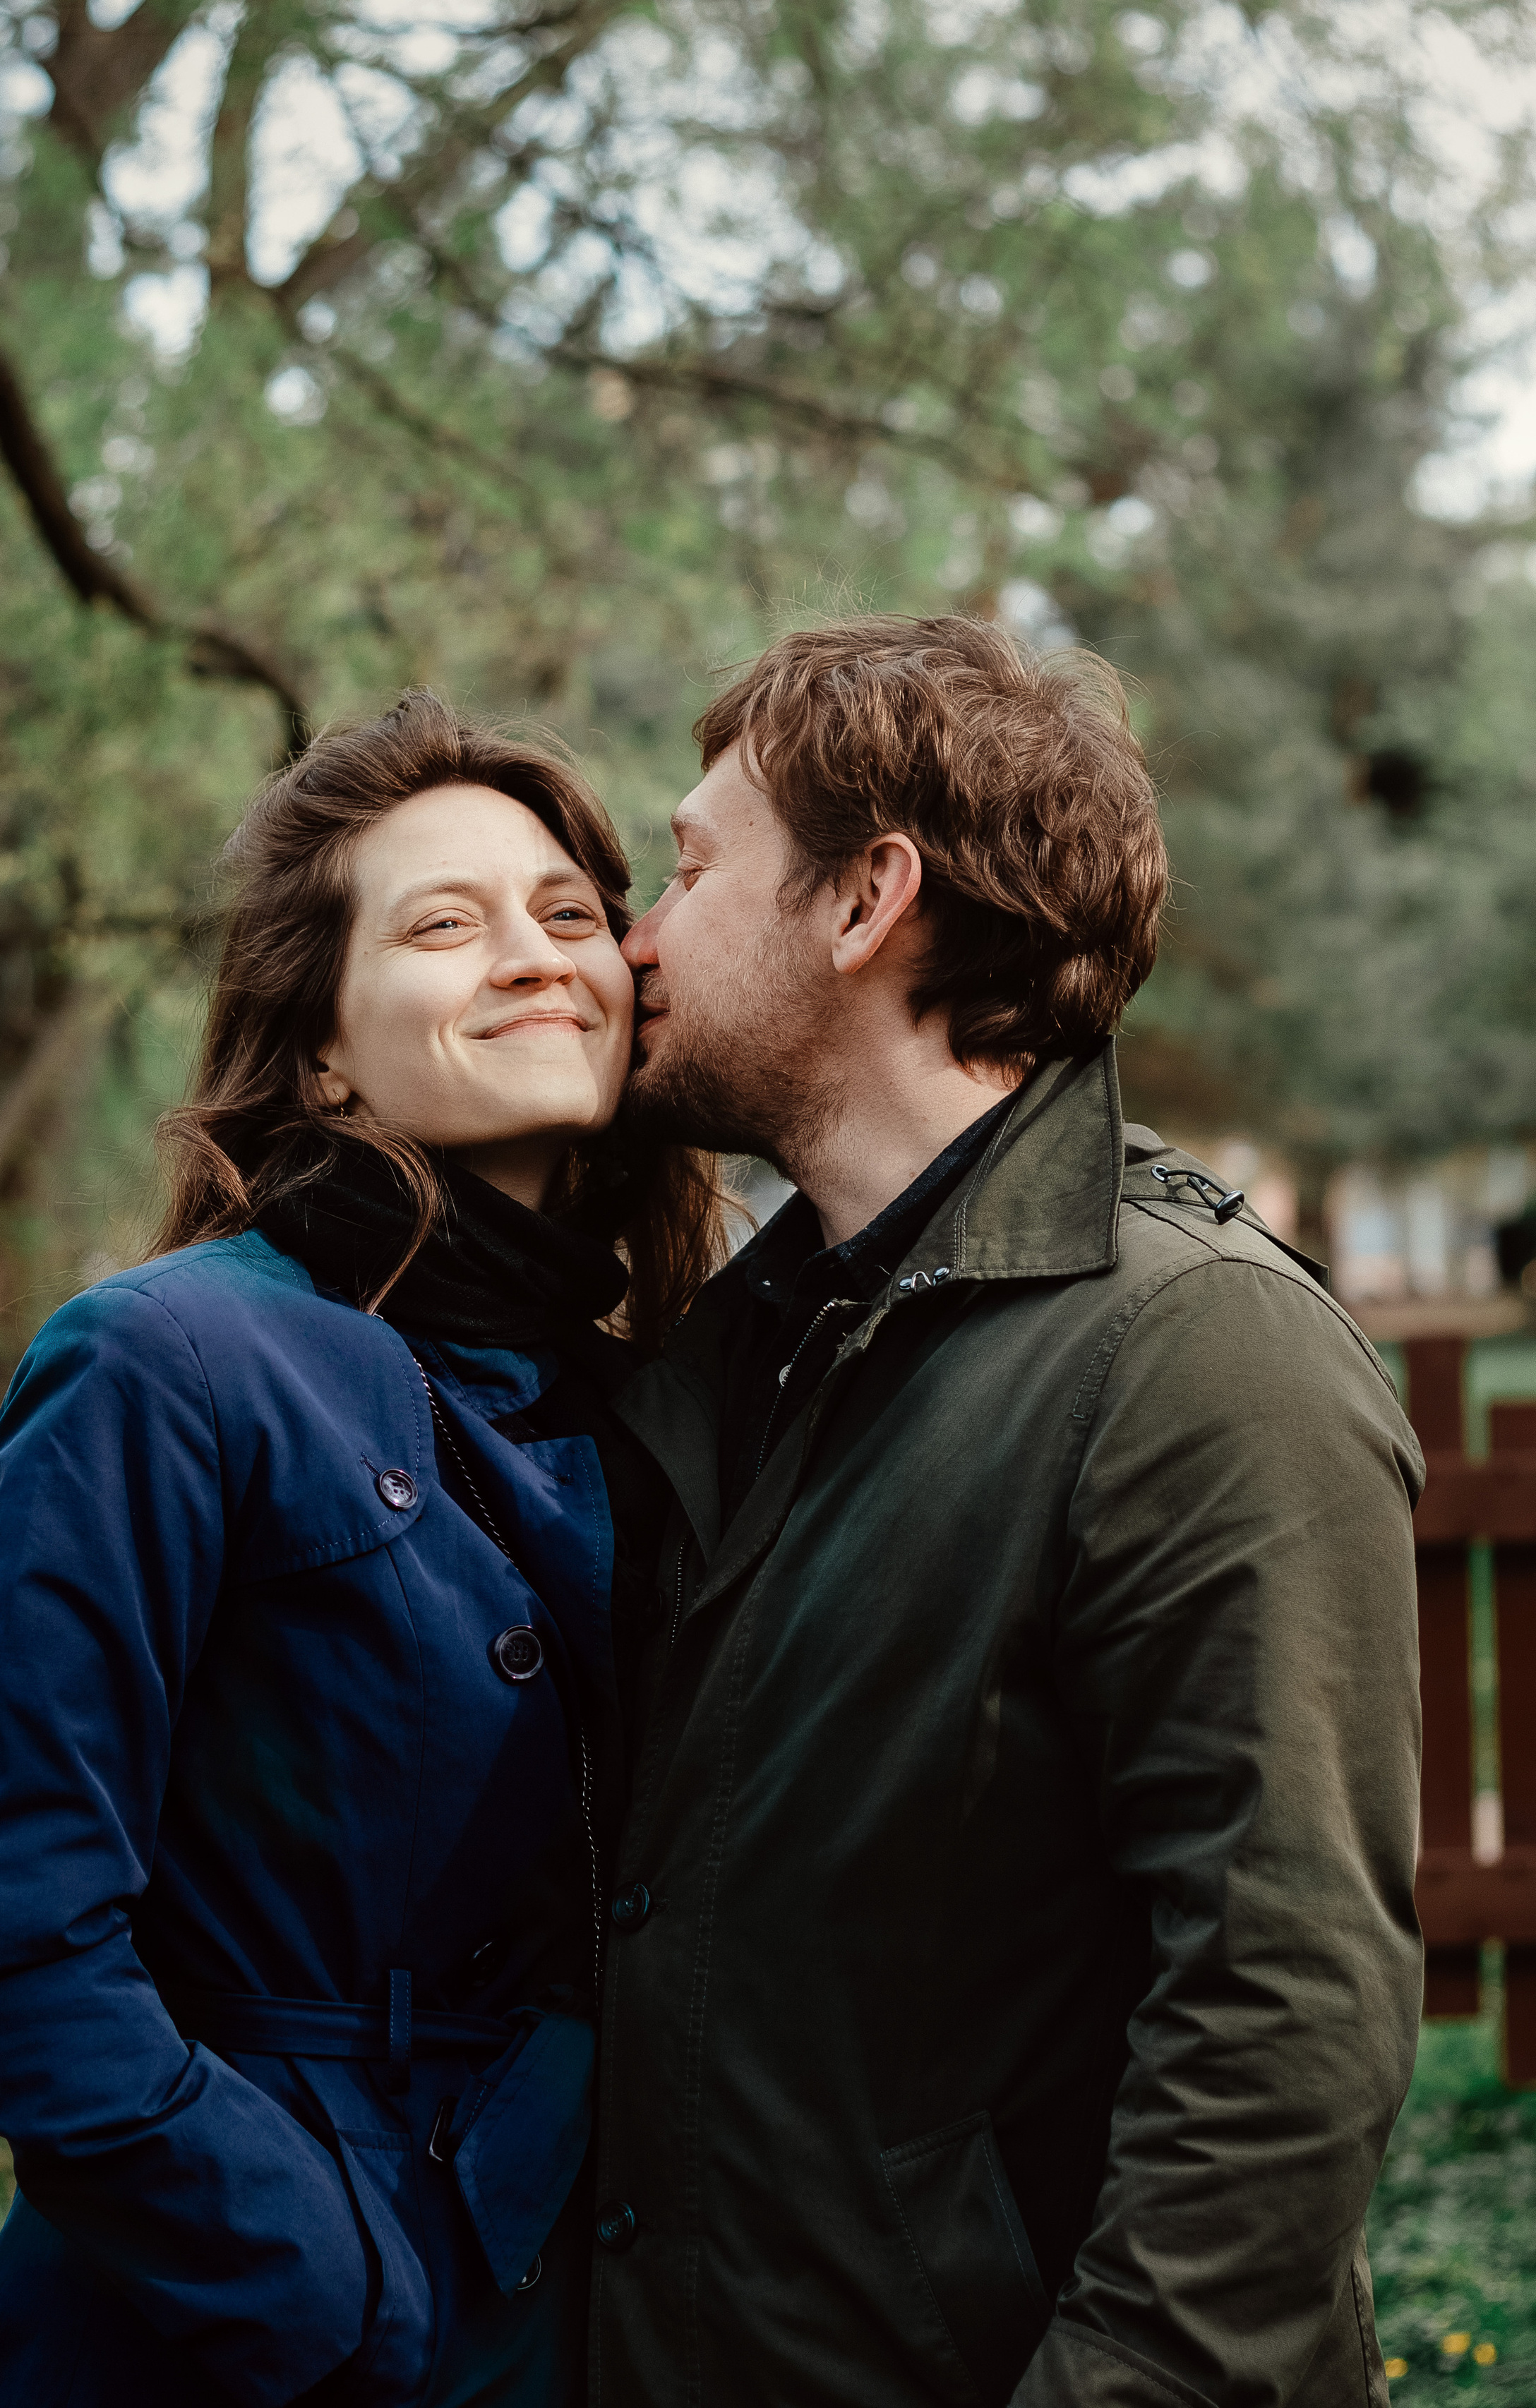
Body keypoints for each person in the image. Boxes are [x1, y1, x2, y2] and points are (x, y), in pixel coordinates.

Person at [589, 615, 1424, 2407]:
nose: (636, 937)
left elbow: (1282, 2021)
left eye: (685, 864)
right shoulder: (739, 1349)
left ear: (861, 896)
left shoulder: (1196, 1353)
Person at [0, 693, 726, 2407]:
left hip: (575, 2298)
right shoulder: (167, 1359)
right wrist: (326, 2277)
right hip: (243, 2329)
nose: (532, 953)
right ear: (322, 1046)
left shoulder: (662, 1402)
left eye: (568, 912)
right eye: (442, 921)